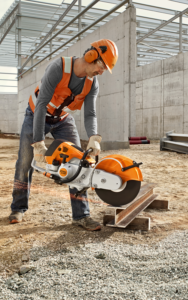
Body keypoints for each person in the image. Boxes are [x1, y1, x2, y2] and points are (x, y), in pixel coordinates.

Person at [9, 39, 118, 231]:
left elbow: (90, 113)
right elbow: (42, 104)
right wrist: (38, 142)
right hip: (36, 115)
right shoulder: (58, 68)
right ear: (92, 56)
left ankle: (81, 215)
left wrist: (94, 137)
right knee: (25, 162)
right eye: (102, 66)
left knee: (79, 162)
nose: (102, 71)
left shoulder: (92, 83)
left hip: (62, 119)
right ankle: (18, 208)